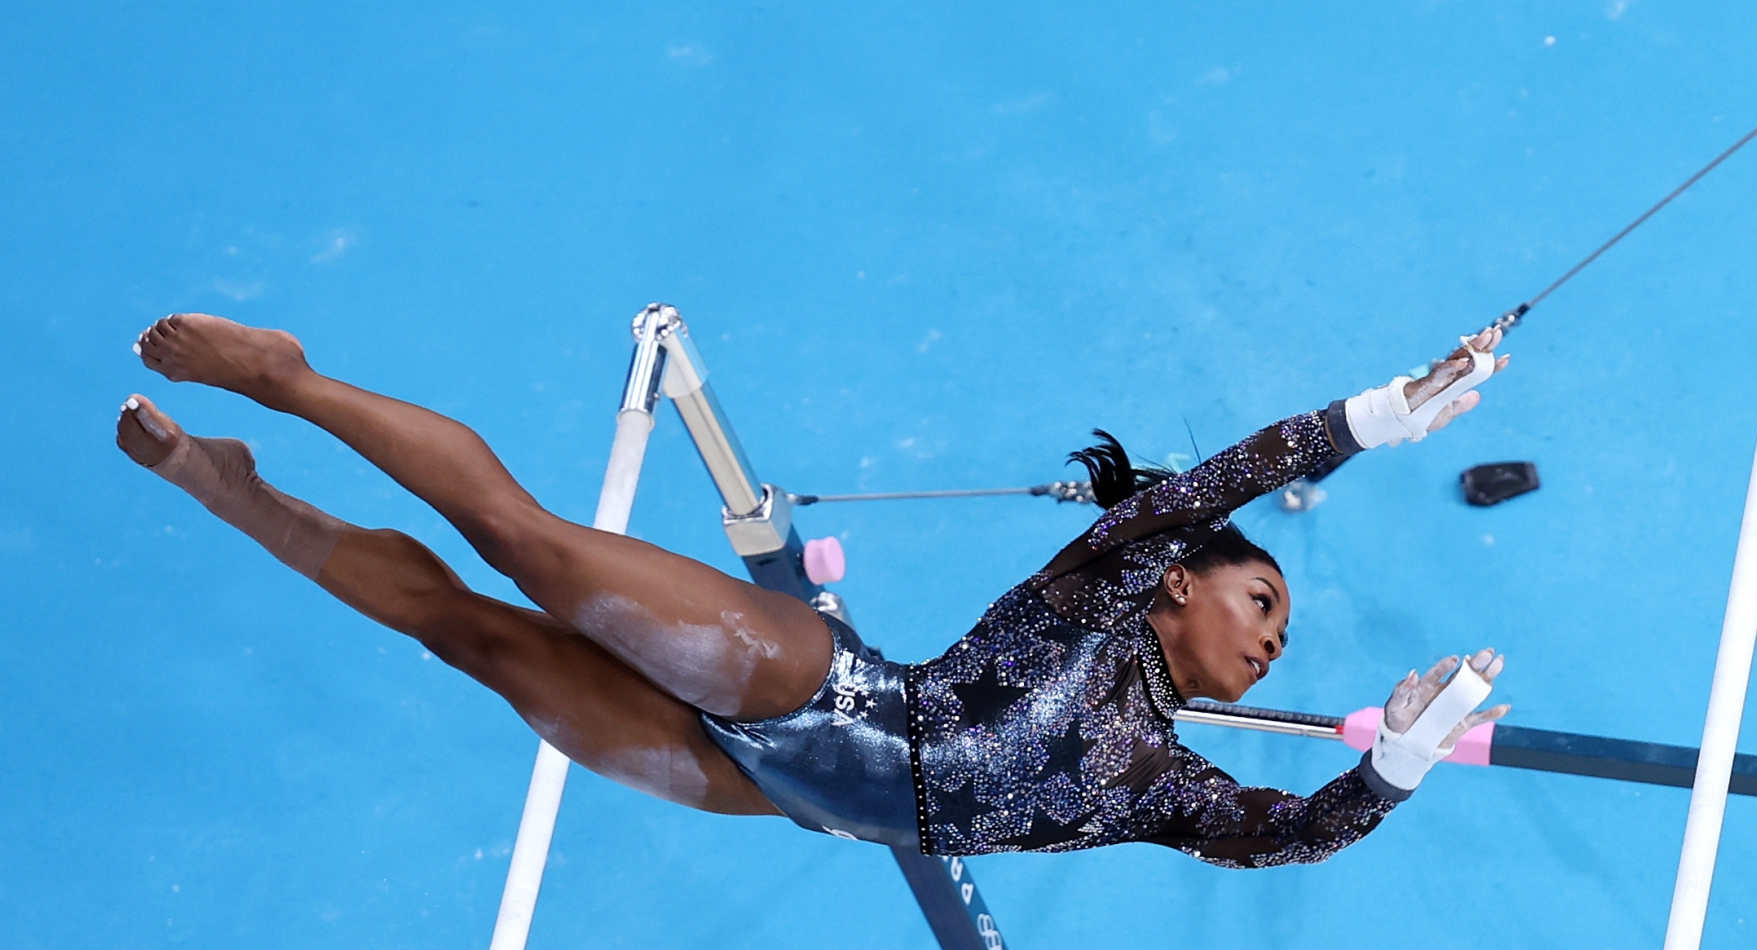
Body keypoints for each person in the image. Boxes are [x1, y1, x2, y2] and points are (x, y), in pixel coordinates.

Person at [115, 314, 1511, 868]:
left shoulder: (1163, 785)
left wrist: (1395, 761)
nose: (1275, 641)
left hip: (762, 788)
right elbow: (1210, 487)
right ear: (1173, 586)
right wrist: (1374, 419)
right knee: (525, 549)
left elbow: (1285, 835)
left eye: (1282, 635)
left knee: (474, 642)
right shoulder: (1101, 591)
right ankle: (288, 381)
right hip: (813, 688)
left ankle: (241, 492)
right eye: (1262, 601)